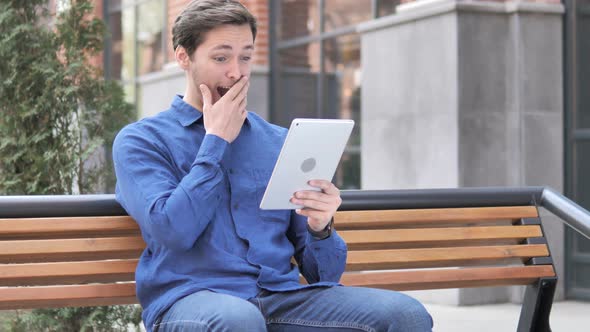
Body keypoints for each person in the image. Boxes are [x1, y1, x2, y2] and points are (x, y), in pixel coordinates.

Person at [112, 1, 433, 331]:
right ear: (184, 57)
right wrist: (216, 141)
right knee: (240, 320)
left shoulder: (279, 141)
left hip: (281, 299)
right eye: (221, 58)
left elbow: (324, 276)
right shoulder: (141, 141)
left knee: (405, 314)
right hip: (192, 300)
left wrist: (320, 227)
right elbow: (172, 232)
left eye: (246, 57)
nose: (236, 71)